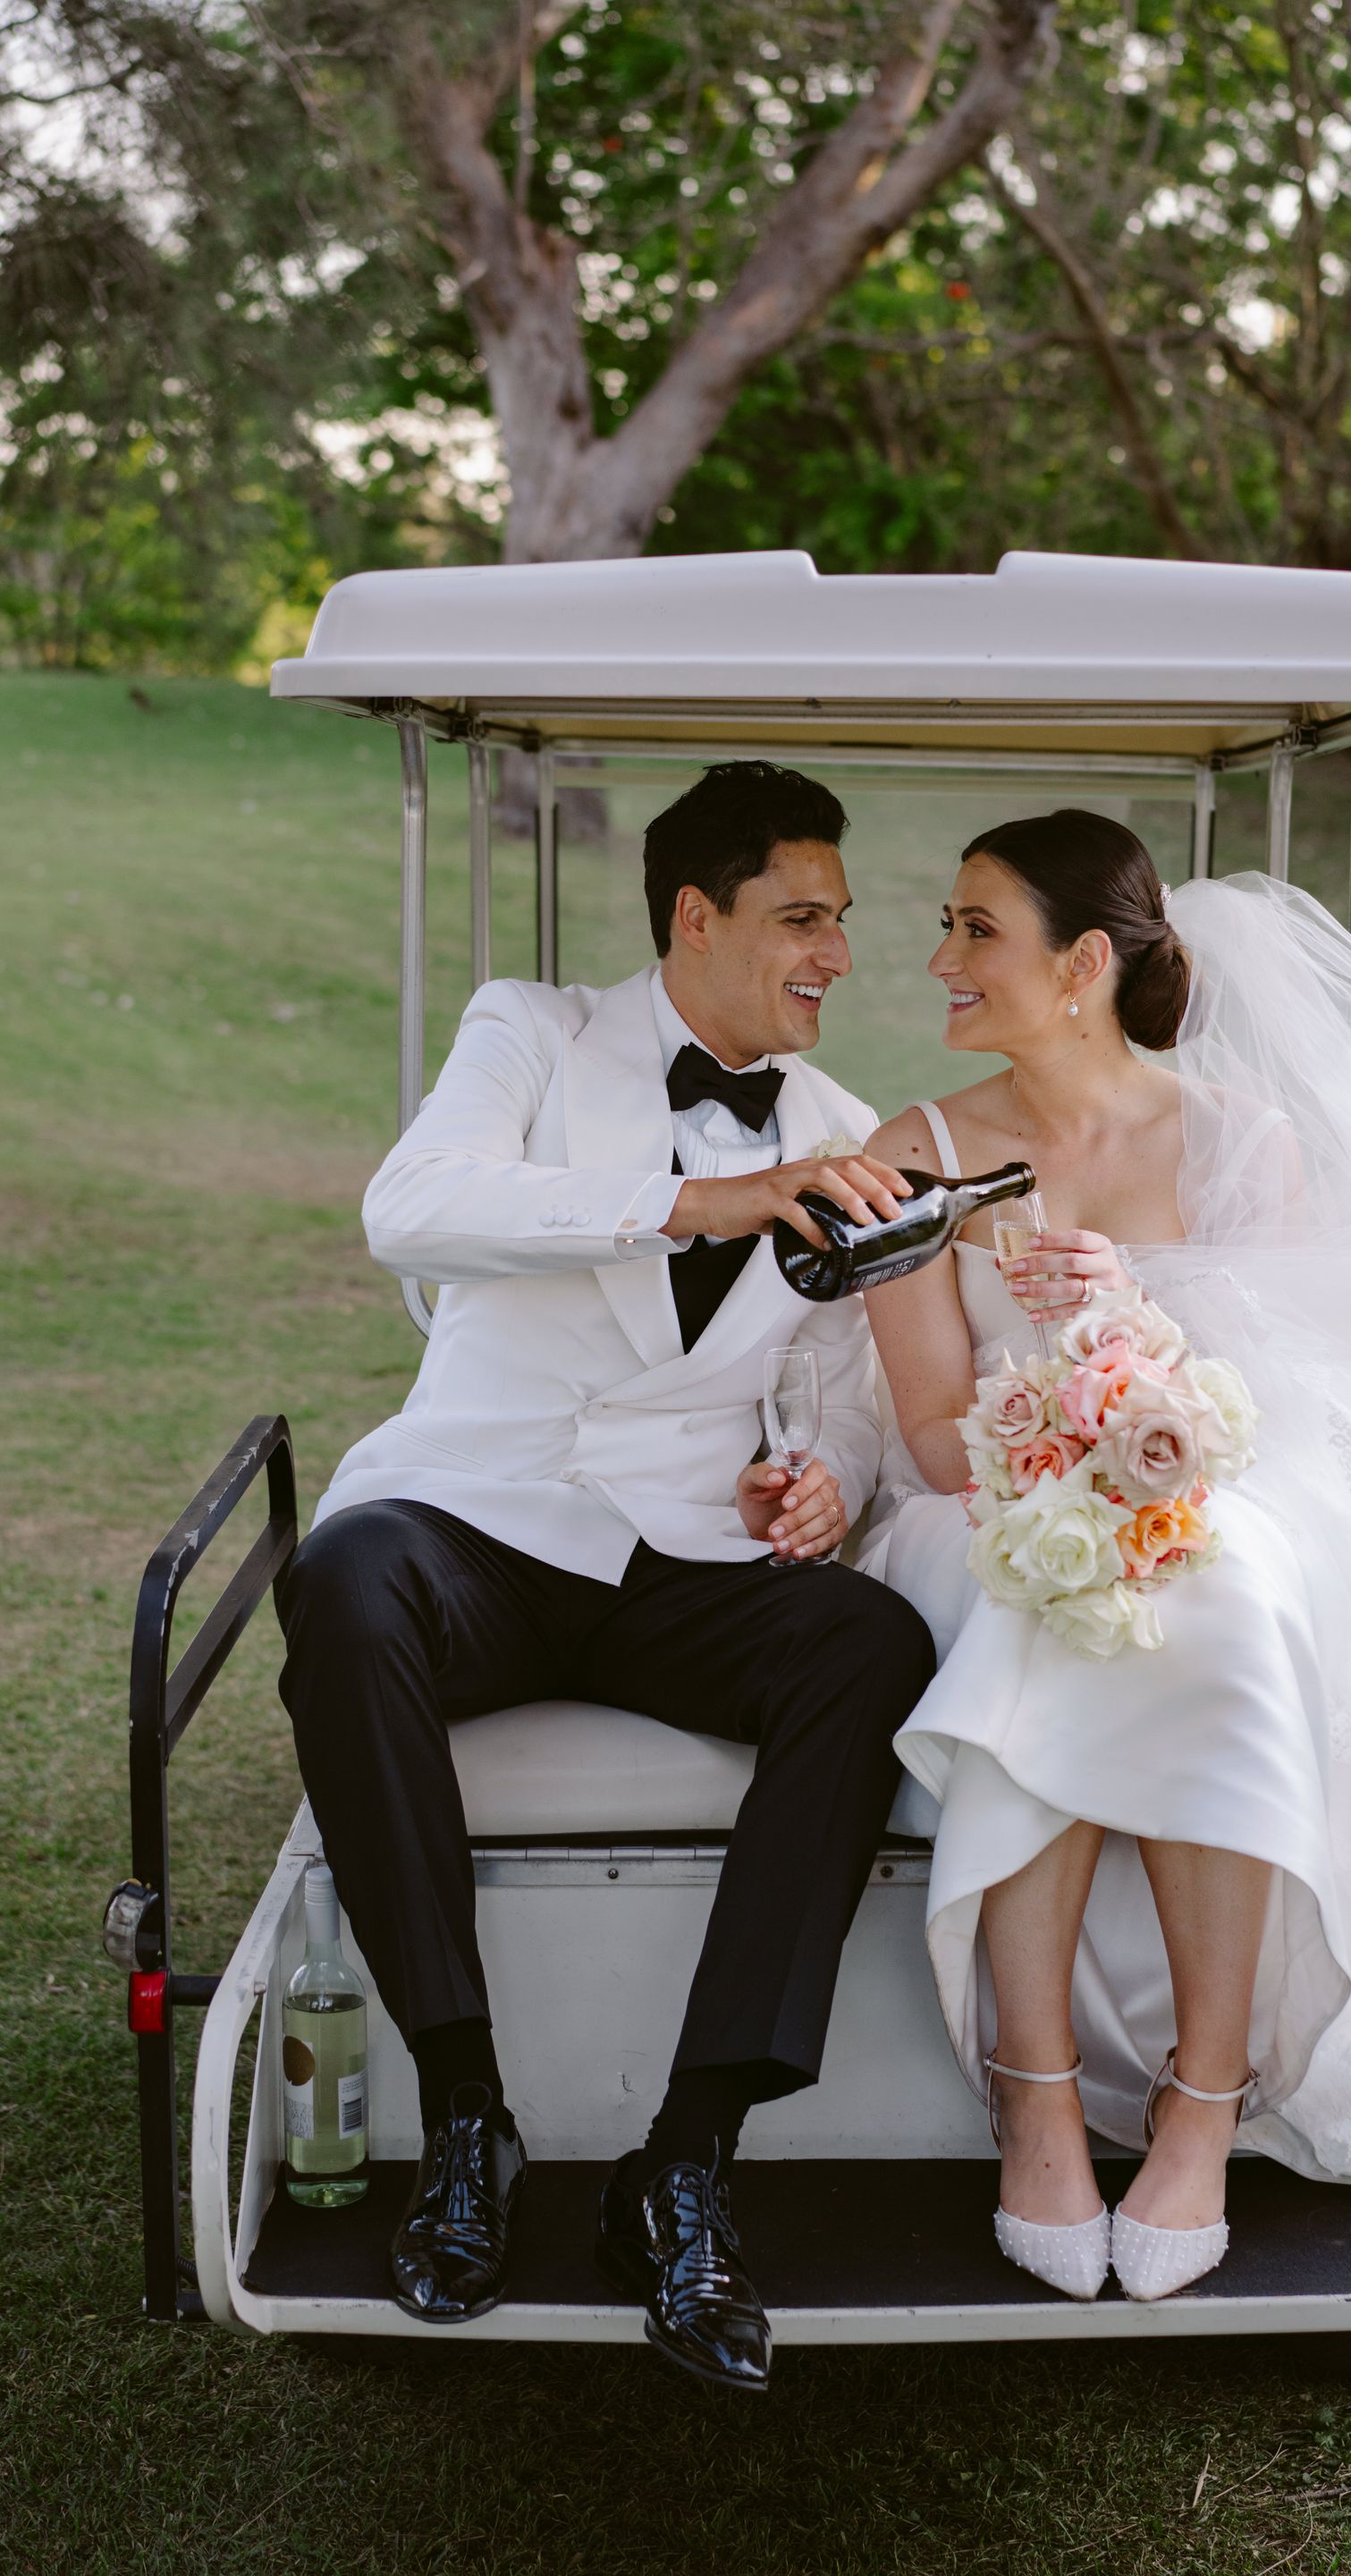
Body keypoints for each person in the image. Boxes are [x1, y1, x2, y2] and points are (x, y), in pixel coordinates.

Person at [861, 811, 1351, 2303]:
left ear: (1083, 965)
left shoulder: (1245, 1144)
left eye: (975, 928)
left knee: (1223, 1586)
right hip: (971, 1508)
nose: (940, 958)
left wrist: (1133, 1319)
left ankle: (1204, 2098)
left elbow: (1303, 1404)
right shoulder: (916, 1153)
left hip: (1211, 1495)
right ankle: (1039, 2091)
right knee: (1040, 1601)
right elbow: (931, 1433)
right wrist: (1046, 1440)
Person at [278, 760, 933, 2388]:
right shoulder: (531, 1031)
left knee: (867, 1639)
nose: (835, 954)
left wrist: (823, 1480)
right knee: (343, 1582)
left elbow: (851, 1393)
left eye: (841, 921)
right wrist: (703, 1196)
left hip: (677, 1561)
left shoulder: (849, 1135)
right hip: (479, 1523)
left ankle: (685, 2160)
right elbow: (411, 1207)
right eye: (802, 916)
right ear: (694, 915)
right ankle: (467, 2114)